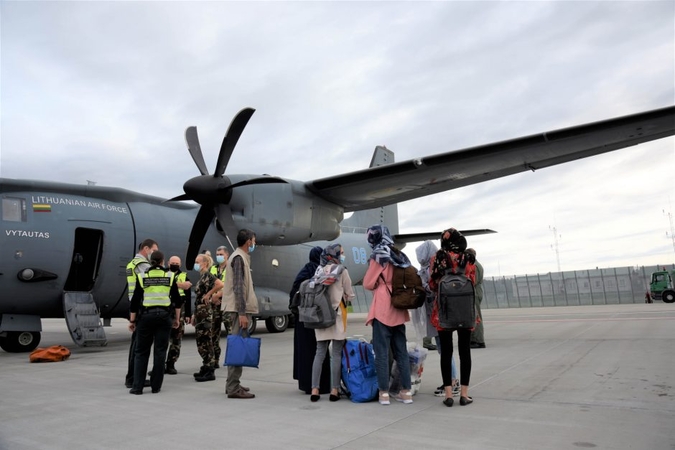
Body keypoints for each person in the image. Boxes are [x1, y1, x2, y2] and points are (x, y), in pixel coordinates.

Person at [363, 224, 414, 406]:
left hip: (384, 305)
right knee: (401, 351)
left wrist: (378, 284)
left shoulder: (379, 255)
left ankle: (384, 393)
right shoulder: (398, 254)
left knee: (382, 352)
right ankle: (406, 391)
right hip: (399, 304)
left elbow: (368, 283)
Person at [429, 228, 477, 407]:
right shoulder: (469, 258)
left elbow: (433, 284)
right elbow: (473, 279)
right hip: (465, 310)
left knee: (446, 353)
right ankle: (464, 394)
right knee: (465, 352)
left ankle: (448, 395)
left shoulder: (438, 258)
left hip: (443, 311)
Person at [128, 251, 182, 394]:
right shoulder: (170, 277)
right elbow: (177, 300)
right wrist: (176, 319)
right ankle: (156, 387)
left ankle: (137, 387)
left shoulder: (142, 277)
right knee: (160, 352)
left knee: (141, 352)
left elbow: (134, 301)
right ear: (163, 262)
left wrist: (132, 320)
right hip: (164, 318)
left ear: (151, 261)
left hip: (146, 317)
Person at [309, 244, 355, 402]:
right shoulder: (342, 270)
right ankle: (334, 390)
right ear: (335, 254)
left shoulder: (319, 270)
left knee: (319, 353)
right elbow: (349, 293)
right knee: (336, 354)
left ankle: (315, 389)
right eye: (341, 253)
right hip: (336, 316)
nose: (343, 255)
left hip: (320, 316)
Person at [415, 241, 460, 398]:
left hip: (438, 314)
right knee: (443, 349)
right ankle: (451, 380)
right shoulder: (429, 268)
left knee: (444, 350)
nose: (419, 258)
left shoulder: (433, 269)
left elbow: (433, 288)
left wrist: (423, 286)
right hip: (436, 314)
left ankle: (453, 382)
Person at [289, 246, 331, 396]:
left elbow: (293, 292)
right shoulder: (322, 271)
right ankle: (323, 384)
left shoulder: (304, 271)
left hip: (303, 317)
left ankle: (307, 384)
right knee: (320, 350)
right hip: (318, 317)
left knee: (305, 351)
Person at [222, 229, 259, 399]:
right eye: (253, 240)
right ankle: (233, 387)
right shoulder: (238, 258)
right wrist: (242, 313)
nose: (254, 243)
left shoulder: (241, 257)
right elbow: (238, 288)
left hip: (238, 310)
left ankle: (233, 383)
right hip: (238, 311)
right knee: (237, 347)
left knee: (238, 346)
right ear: (248, 242)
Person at [124, 238, 158, 389]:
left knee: (135, 345)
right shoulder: (142, 264)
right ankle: (134, 378)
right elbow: (155, 280)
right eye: (154, 250)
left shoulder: (132, 263)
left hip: (134, 305)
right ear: (146, 249)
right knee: (140, 346)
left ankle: (131, 376)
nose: (155, 253)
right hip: (140, 307)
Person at [191, 253, 224, 382]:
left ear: (205, 263)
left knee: (205, 341)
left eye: (198, 262)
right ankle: (205, 366)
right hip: (200, 312)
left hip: (205, 313)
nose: (196, 264)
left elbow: (220, 284)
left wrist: (209, 295)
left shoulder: (208, 275)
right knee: (201, 341)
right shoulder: (201, 277)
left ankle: (210, 369)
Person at [164, 256, 192, 375]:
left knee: (176, 338)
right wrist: (179, 285)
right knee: (163, 338)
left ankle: (171, 364)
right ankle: (159, 365)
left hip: (180, 310)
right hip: (165, 308)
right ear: (168, 263)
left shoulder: (184, 276)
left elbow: (189, 295)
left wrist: (189, 314)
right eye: (172, 263)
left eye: (176, 263)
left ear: (180, 265)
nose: (174, 264)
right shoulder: (163, 274)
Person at [210, 246, 230, 369]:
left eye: (221, 254)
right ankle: (214, 360)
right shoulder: (213, 269)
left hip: (227, 303)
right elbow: (210, 284)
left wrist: (218, 295)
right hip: (215, 304)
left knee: (231, 334)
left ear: (227, 255)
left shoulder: (231, 268)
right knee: (213, 333)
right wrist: (213, 297)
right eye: (217, 254)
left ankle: (233, 360)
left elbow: (230, 285)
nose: (219, 256)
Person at [467, 248, 486, 349]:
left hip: (475, 292)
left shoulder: (475, 266)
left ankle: (479, 340)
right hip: (475, 291)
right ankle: (474, 339)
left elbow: (473, 281)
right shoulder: (476, 265)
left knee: (477, 317)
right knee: (474, 316)